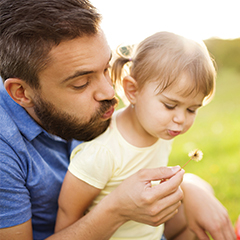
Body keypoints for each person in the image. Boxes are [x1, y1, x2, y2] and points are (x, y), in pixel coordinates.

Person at [0, 0, 235, 240]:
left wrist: (192, 188)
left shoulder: (131, 116)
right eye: (81, 83)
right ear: (22, 92)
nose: (110, 93)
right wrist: (117, 210)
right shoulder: (4, 150)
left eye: (106, 69)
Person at [54, 31, 236, 240]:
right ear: (133, 90)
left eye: (191, 109)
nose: (181, 119)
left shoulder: (159, 130)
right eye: (170, 105)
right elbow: (69, 214)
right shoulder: (102, 152)